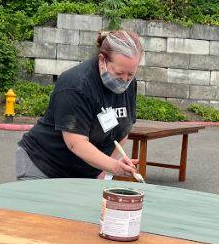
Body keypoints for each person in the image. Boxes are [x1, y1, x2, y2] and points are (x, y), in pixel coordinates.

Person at [16, 30, 143, 180]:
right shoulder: (76, 85)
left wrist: (105, 170)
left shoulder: (129, 84)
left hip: (85, 171)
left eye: (130, 74)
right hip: (44, 165)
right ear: (102, 60)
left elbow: (123, 131)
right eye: (119, 73)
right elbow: (76, 143)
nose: (125, 80)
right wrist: (113, 166)